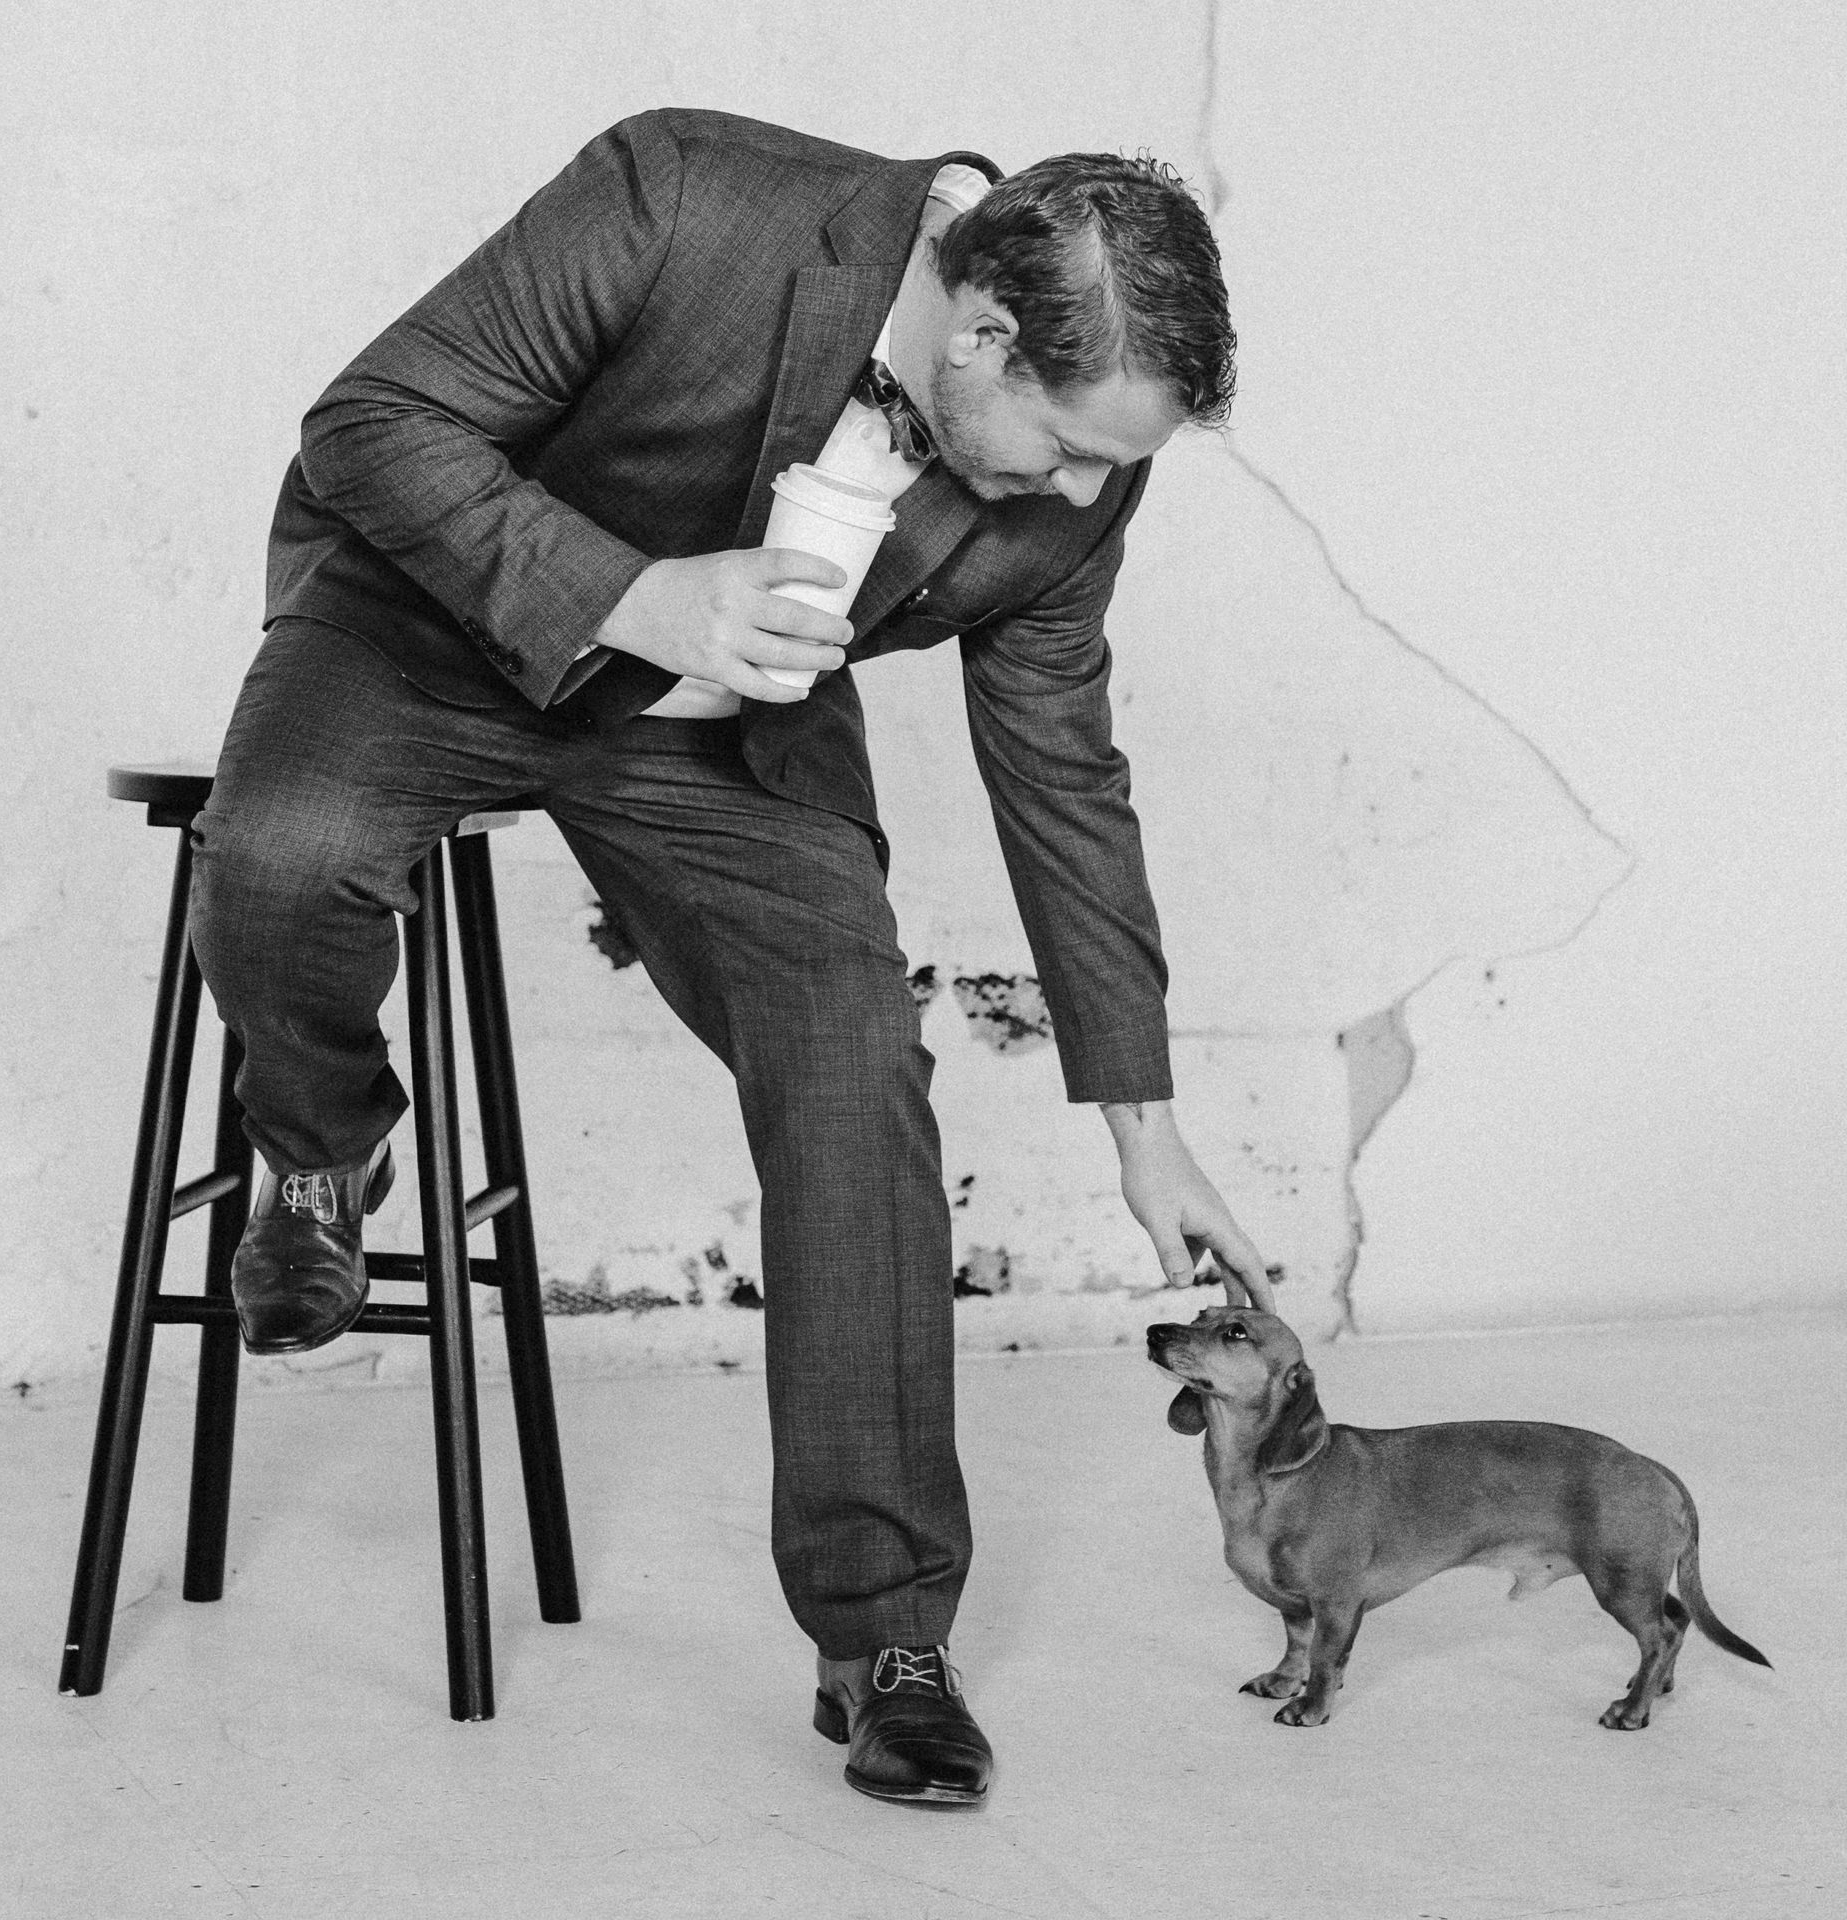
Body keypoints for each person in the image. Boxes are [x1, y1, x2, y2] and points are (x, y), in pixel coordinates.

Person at [188, 107, 1273, 1808]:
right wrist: (633, 597)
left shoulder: (1085, 471)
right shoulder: (684, 195)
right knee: (282, 852)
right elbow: (371, 423)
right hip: (426, 631)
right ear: (984, 333)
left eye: (1109, 469)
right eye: (1070, 449)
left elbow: (1062, 776)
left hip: (721, 737)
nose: (1084, 492)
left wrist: (1146, 1126)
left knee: (855, 1059)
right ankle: (324, 1153)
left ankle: (885, 1638)